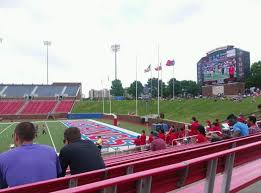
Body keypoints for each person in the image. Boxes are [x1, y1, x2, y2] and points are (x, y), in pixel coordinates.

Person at [0, 122, 61, 188]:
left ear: (16, 136)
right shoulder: (50, 150)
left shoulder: (3, 158)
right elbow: (58, 174)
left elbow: (2, 187)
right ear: (34, 135)